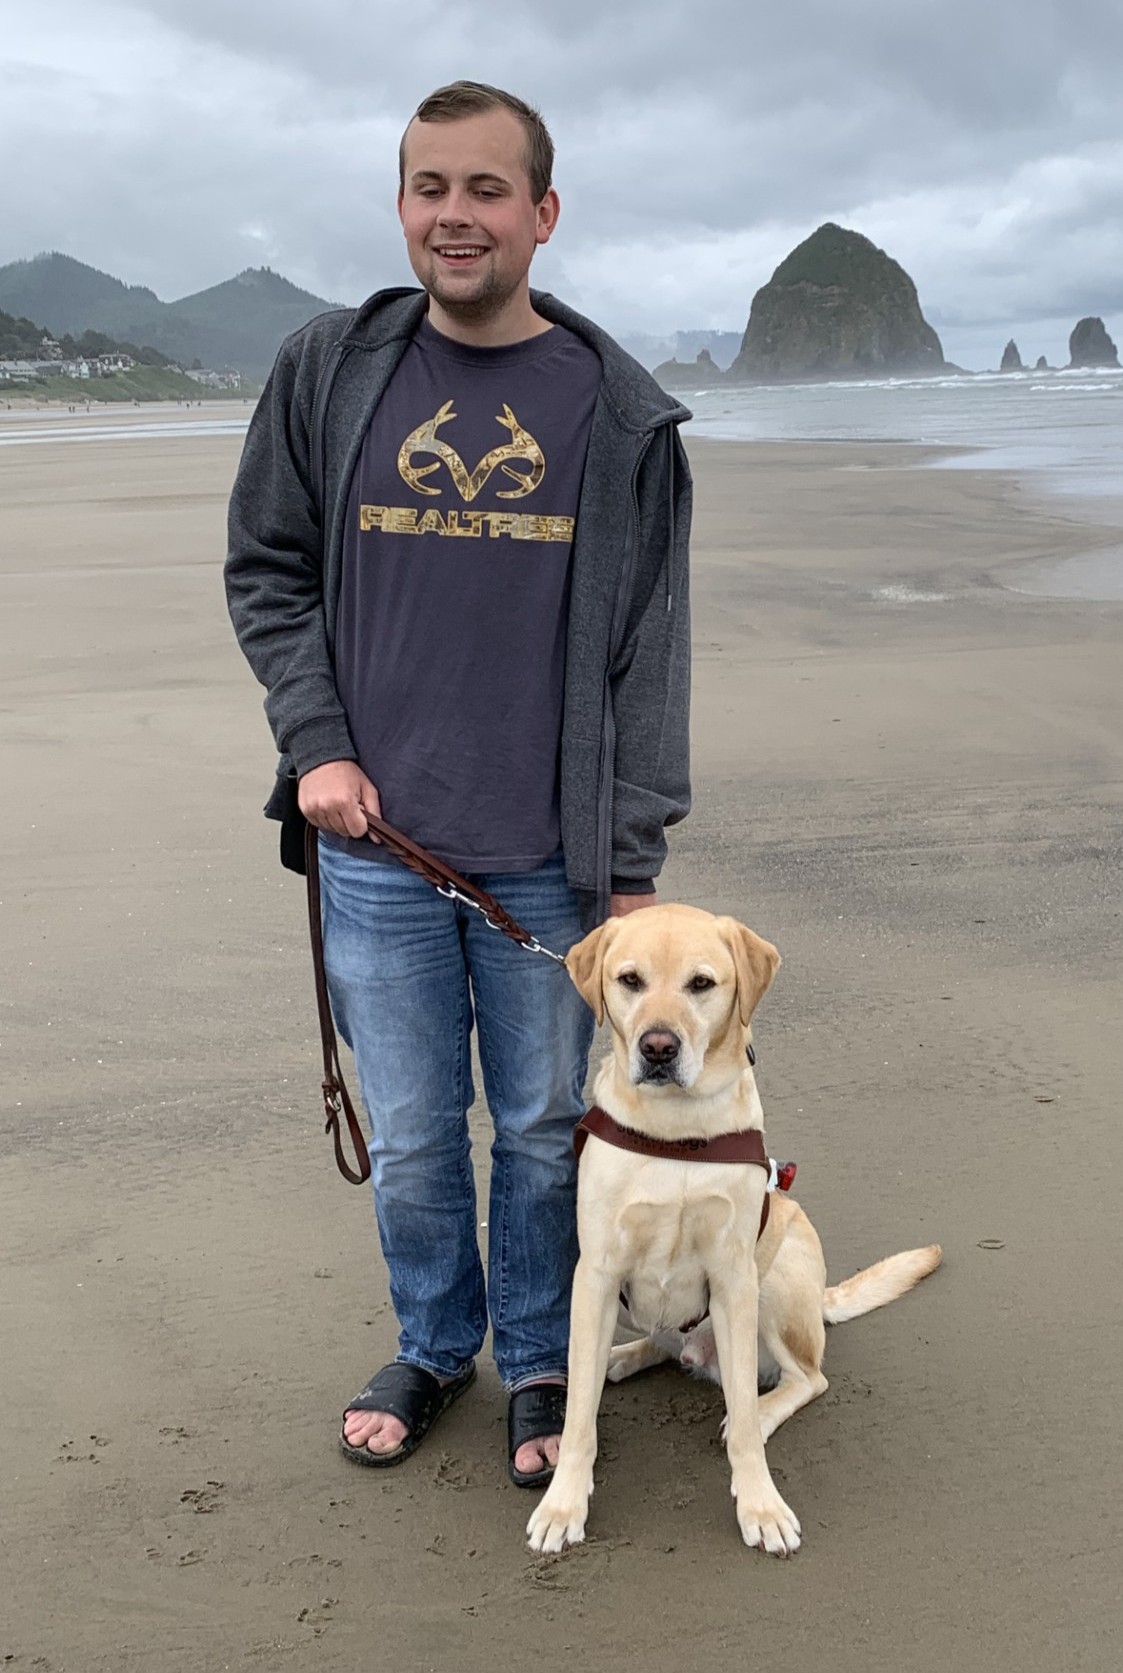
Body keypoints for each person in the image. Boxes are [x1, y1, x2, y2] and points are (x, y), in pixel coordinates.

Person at [224, 80, 692, 1487]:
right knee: (422, 1132)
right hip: (378, 847)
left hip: (548, 860)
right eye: (432, 187)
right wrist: (316, 744)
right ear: (403, 205)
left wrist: (631, 859)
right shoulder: (330, 370)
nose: (456, 214)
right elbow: (268, 570)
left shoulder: (617, 415)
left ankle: (543, 1363)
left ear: (543, 215)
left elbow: (647, 654)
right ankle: (437, 1344)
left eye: (488, 189)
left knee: (546, 1130)